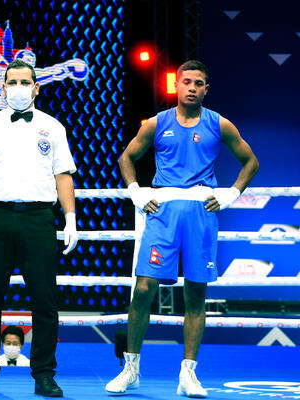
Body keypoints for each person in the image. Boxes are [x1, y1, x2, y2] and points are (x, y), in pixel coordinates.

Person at [105, 60, 259, 397]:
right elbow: (126, 158)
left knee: (196, 293)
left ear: (206, 89)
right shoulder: (157, 123)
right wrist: (136, 192)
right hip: (162, 210)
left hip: (201, 211)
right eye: (186, 81)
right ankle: (130, 369)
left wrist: (231, 194)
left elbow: (251, 162)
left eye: (198, 83)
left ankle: (188, 374)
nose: (192, 87)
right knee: (143, 288)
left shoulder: (219, 123)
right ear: (176, 85)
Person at [0, 59, 78, 397]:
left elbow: (63, 175)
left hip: (39, 218)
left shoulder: (53, 127)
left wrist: (70, 217)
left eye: (25, 82)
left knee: (45, 300)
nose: (19, 88)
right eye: (13, 82)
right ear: (4, 87)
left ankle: (44, 375)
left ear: (36, 88)